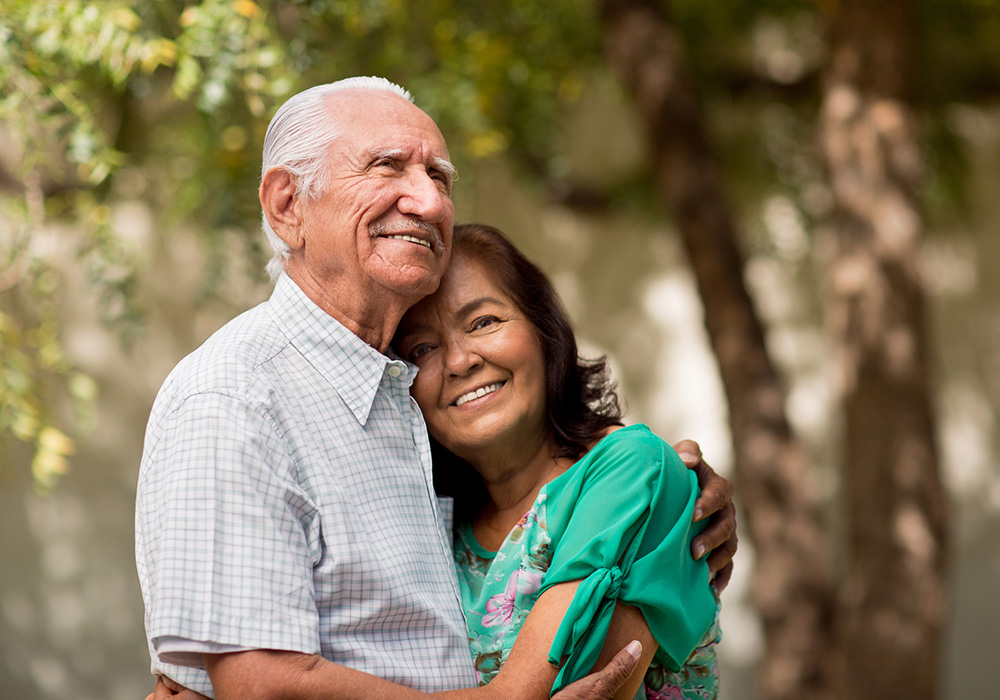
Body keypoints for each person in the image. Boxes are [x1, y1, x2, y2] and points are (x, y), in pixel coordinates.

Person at [136, 77, 736, 700]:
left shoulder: (396, 409)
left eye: (440, 177)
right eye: (386, 166)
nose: (427, 201)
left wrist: (670, 489)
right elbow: (260, 685)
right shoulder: (234, 399)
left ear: (546, 333)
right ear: (287, 205)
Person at [393, 223, 722, 699]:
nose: (460, 361)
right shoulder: (440, 527)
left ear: (544, 330)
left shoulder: (634, 470)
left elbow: (542, 693)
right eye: (422, 349)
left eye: (484, 321)